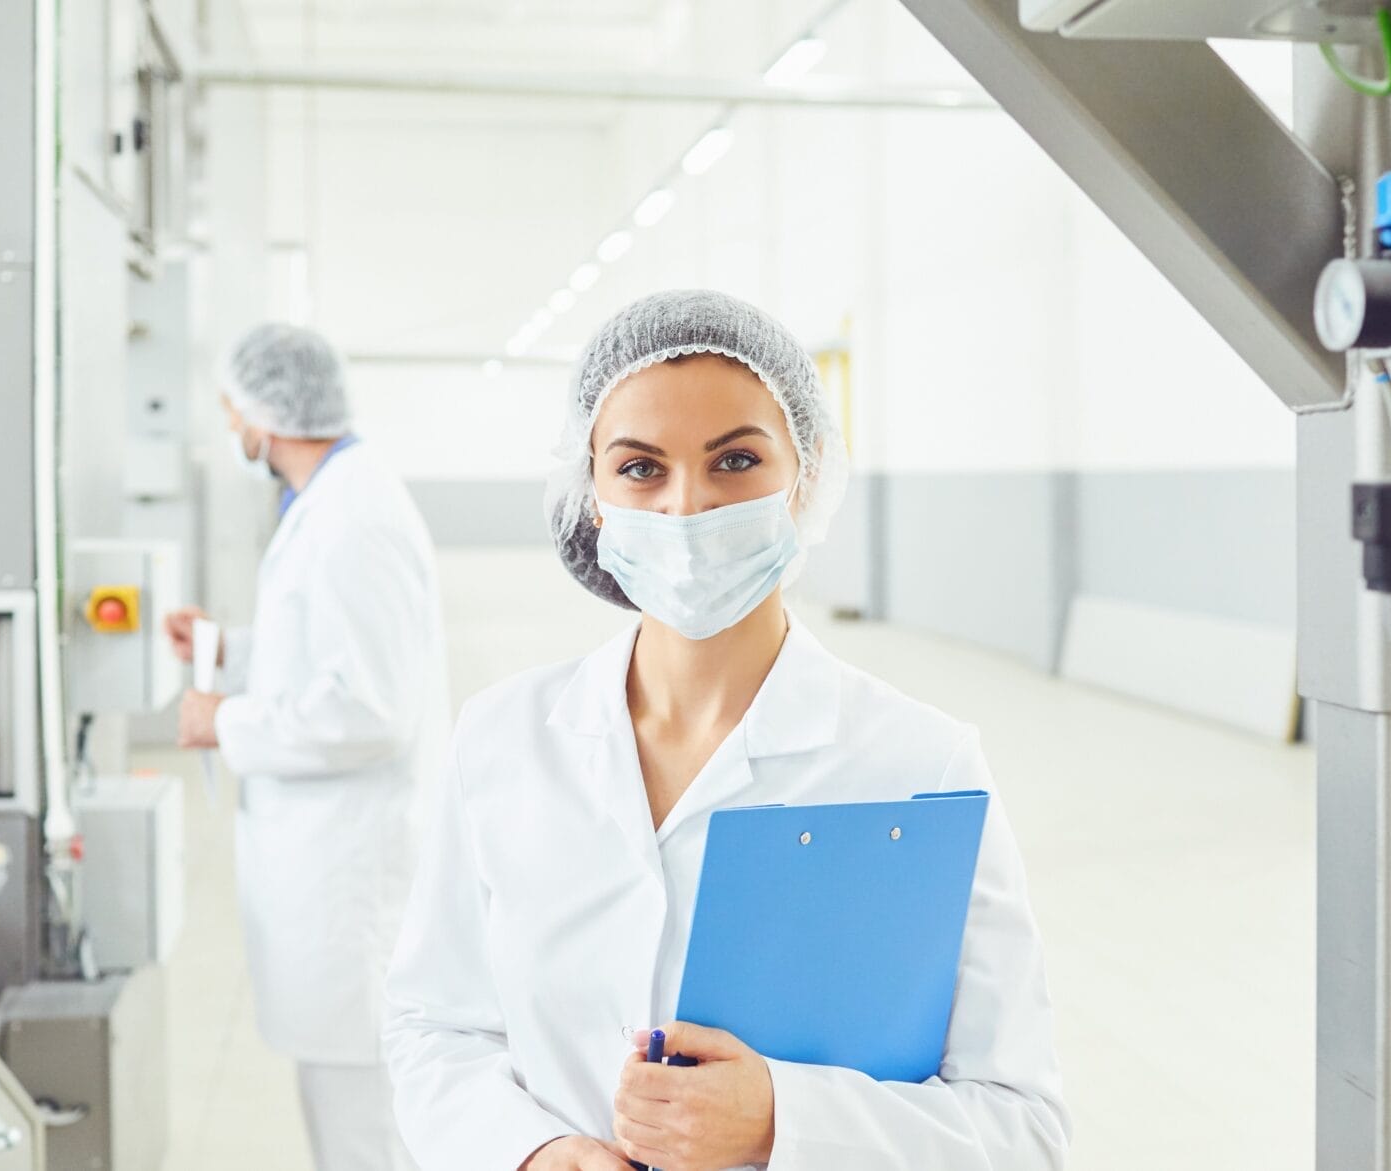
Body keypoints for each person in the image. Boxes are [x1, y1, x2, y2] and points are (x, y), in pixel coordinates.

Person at [383, 290, 1068, 1171]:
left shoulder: (919, 766)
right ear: (590, 495)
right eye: (639, 468)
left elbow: (1023, 1127)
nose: (688, 508)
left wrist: (785, 1122)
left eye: (736, 460)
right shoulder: (504, 738)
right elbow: (434, 1025)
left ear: (806, 476)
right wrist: (535, 1151)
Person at [168, 323, 446, 1171]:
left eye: (232, 410)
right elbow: (323, 648)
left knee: (363, 1126)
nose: (231, 428)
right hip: (325, 863)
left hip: (349, 877)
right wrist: (233, 649)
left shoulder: (353, 519)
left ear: (265, 414)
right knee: (347, 1116)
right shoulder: (331, 502)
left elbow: (370, 708)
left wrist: (226, 720)